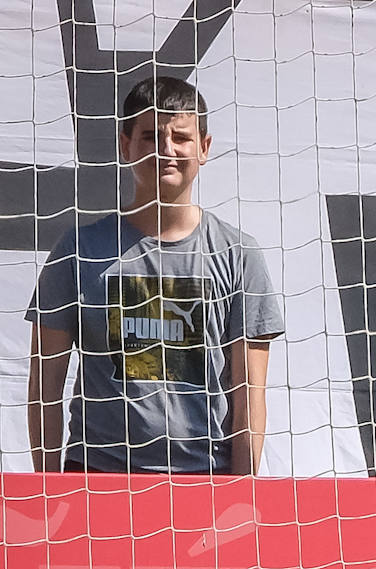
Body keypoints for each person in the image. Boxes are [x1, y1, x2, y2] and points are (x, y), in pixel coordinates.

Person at [27, 75, 284, 475]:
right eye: (150, 136)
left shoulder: (239, 254)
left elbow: (249, 393)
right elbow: (44, 387)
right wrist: (46, 490)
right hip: (98, 478)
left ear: (204, 147)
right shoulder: (77, 251)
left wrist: (243, 494)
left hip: (205, 480)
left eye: (180, 137)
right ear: (125, 145)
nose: (166, 150)